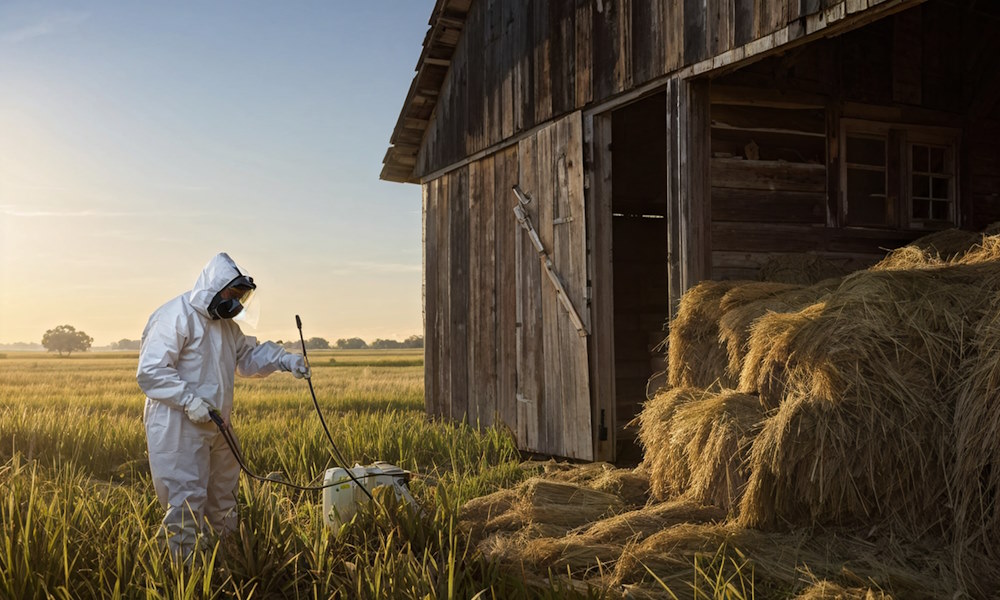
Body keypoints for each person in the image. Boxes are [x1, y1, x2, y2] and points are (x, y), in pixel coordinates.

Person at [136, 252, 310, 560]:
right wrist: (189, 401)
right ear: (214, 288)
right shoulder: (173, 316)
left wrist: (285, 360)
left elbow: (247, 359)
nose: (236, 303)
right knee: (185, 499)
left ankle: (228, 561)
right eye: (232, 294)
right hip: (179, 423)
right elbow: (151, 372)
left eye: (241, 297)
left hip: (217, 422)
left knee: (224, 495)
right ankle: (180, 574)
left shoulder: (227, 327)